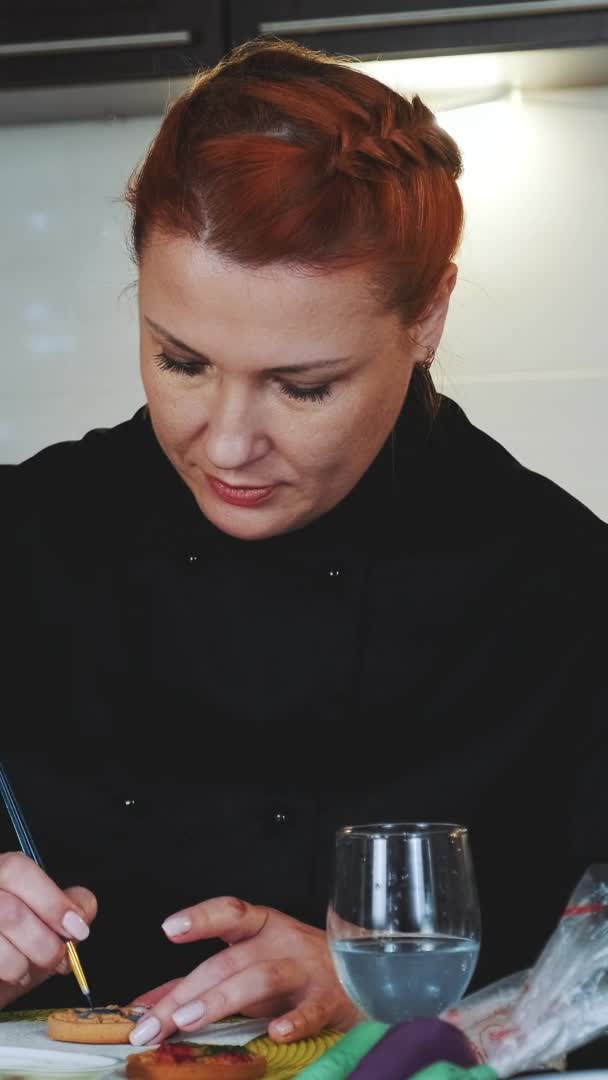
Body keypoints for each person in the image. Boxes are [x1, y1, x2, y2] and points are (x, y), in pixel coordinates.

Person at [1, 37, 606, 1057]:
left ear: (427, 317)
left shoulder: (559, 584)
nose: (226, 443)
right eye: (180, 360)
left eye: (303, 387)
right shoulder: (25, 535)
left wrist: (397, 994)